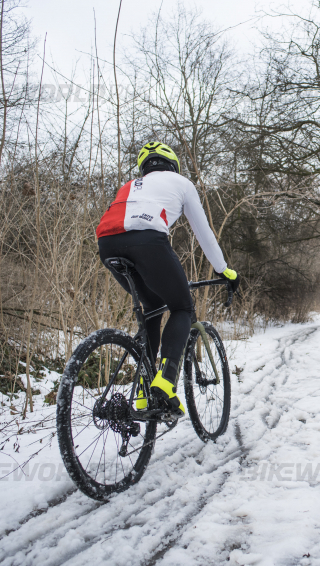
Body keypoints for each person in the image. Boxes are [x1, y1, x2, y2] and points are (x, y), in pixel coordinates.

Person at [96, 142, 239, 417]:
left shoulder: (131, 185)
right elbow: (204, 234)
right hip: (148, 241)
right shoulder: (182, 183)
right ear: (172, 163)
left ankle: (142, 390)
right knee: (182, 307)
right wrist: (224, 270)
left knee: (152, 309)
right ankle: (166, 381)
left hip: (107, 244)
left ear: (144, 167)